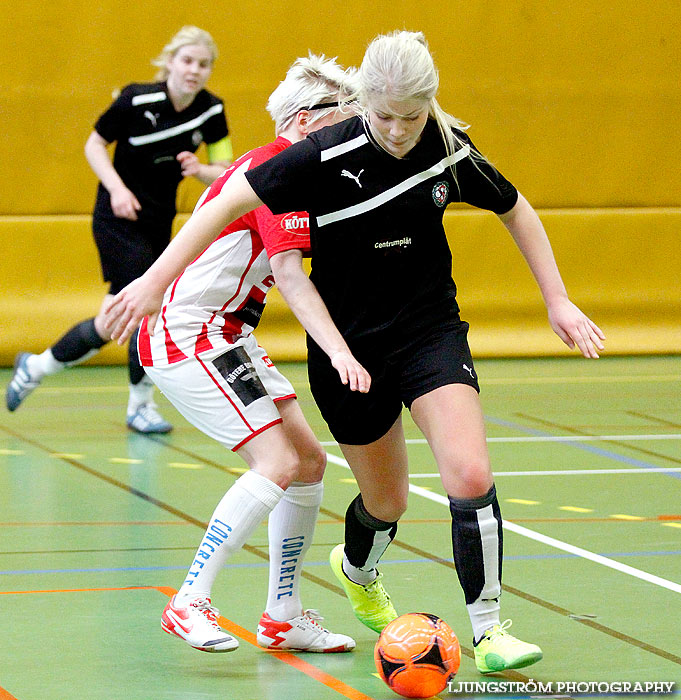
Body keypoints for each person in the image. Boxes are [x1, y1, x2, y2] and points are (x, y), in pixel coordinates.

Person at [103, 30, 606, 673]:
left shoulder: (446, 148)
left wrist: (557, 300)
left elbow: (514, 206)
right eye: (380, 115)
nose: (396, 131)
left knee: (435, 473)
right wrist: (149, 282)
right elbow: (260, 237)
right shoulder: (309, 159)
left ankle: (479, 629)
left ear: (430, 106)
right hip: (272, 336)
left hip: (424, 329)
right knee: (358, 490)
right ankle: (217, 594)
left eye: (412, 116)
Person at [124, 54, 358, 654]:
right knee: (276, 461)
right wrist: (338, 351)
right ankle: (187, 602)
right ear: (307, 122)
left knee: (308, 461)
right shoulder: (279, 172)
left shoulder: (283, 169)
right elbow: (290, 273)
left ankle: (282, 614)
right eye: (347, 119)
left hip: (228, 332)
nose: (356, 132)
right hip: (189, 329)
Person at [6, 25, 233, 434]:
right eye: (186, 60)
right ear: (169, 61)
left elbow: (225, 171)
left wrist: (201, 171)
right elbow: (94, 144)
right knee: (149, 304)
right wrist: (116, 189)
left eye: (203, 64)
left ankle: (37, 365)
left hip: (159, 223)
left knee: (115, 315)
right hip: (117, 218)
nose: (193, 70)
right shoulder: (136, 98)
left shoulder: (211, 111)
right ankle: (139, 406)